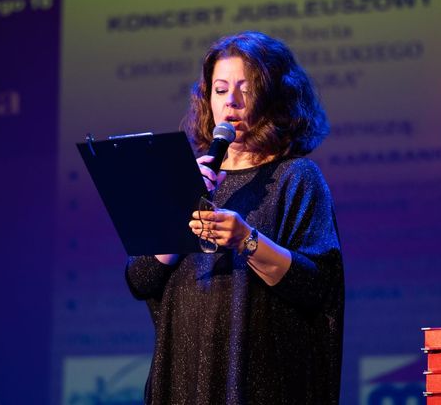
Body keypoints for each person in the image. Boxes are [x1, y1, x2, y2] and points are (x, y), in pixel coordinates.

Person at [126, 31, 344, 404]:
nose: (232, 101)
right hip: (186, 376)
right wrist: (179, 208)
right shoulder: (191, 180)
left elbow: (315, 286)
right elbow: (140, 279)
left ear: (274, 96)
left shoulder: (296, 178)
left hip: (260, 380)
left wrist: (246, 240)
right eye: (221, 89)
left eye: (247, 88)